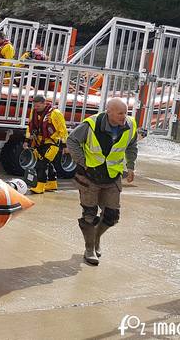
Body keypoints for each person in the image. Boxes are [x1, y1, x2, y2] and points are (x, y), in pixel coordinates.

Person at [66, 98, 138, 266]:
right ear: (109, 112)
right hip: (89, 177)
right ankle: (89, 248)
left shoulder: (130, 125)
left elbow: (132, 145)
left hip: (112, 176)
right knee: (89, 215)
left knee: (112, 216)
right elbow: (72, 140)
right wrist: (82, 162)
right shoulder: (91, 125)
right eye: (120, 113)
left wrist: (131, 166)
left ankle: (96, 237)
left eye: (125, 113)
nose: (124, 117)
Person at [24, 95, 67, 194]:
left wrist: (65, 146)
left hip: (52, 144)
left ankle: (40, 186)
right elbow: (30, 127)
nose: (36, 108)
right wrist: (26, 140)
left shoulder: (55, 113)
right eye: (34, 106)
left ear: (44, 103)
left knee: (41, 165)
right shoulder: (34, 112)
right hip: (39, 143)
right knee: (48, 164)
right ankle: (52, 184)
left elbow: (63, 131)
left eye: (38, 106)